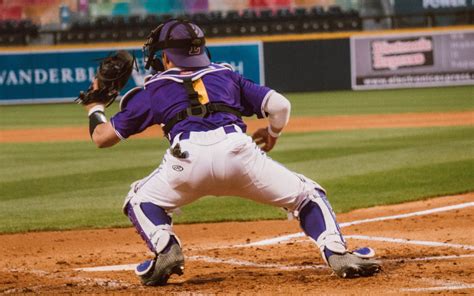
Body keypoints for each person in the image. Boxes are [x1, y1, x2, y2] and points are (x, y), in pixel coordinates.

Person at [84, 19, 381, 286]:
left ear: (165, 56)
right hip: (239, 153)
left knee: (139, 199)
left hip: (185, 162)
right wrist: (272, 133)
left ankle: (165, 249)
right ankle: (337, 252)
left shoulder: (153, 88)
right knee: (307, 196)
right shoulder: (226, 75)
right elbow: (280, 106)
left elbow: (102, 138)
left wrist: (95, 106)